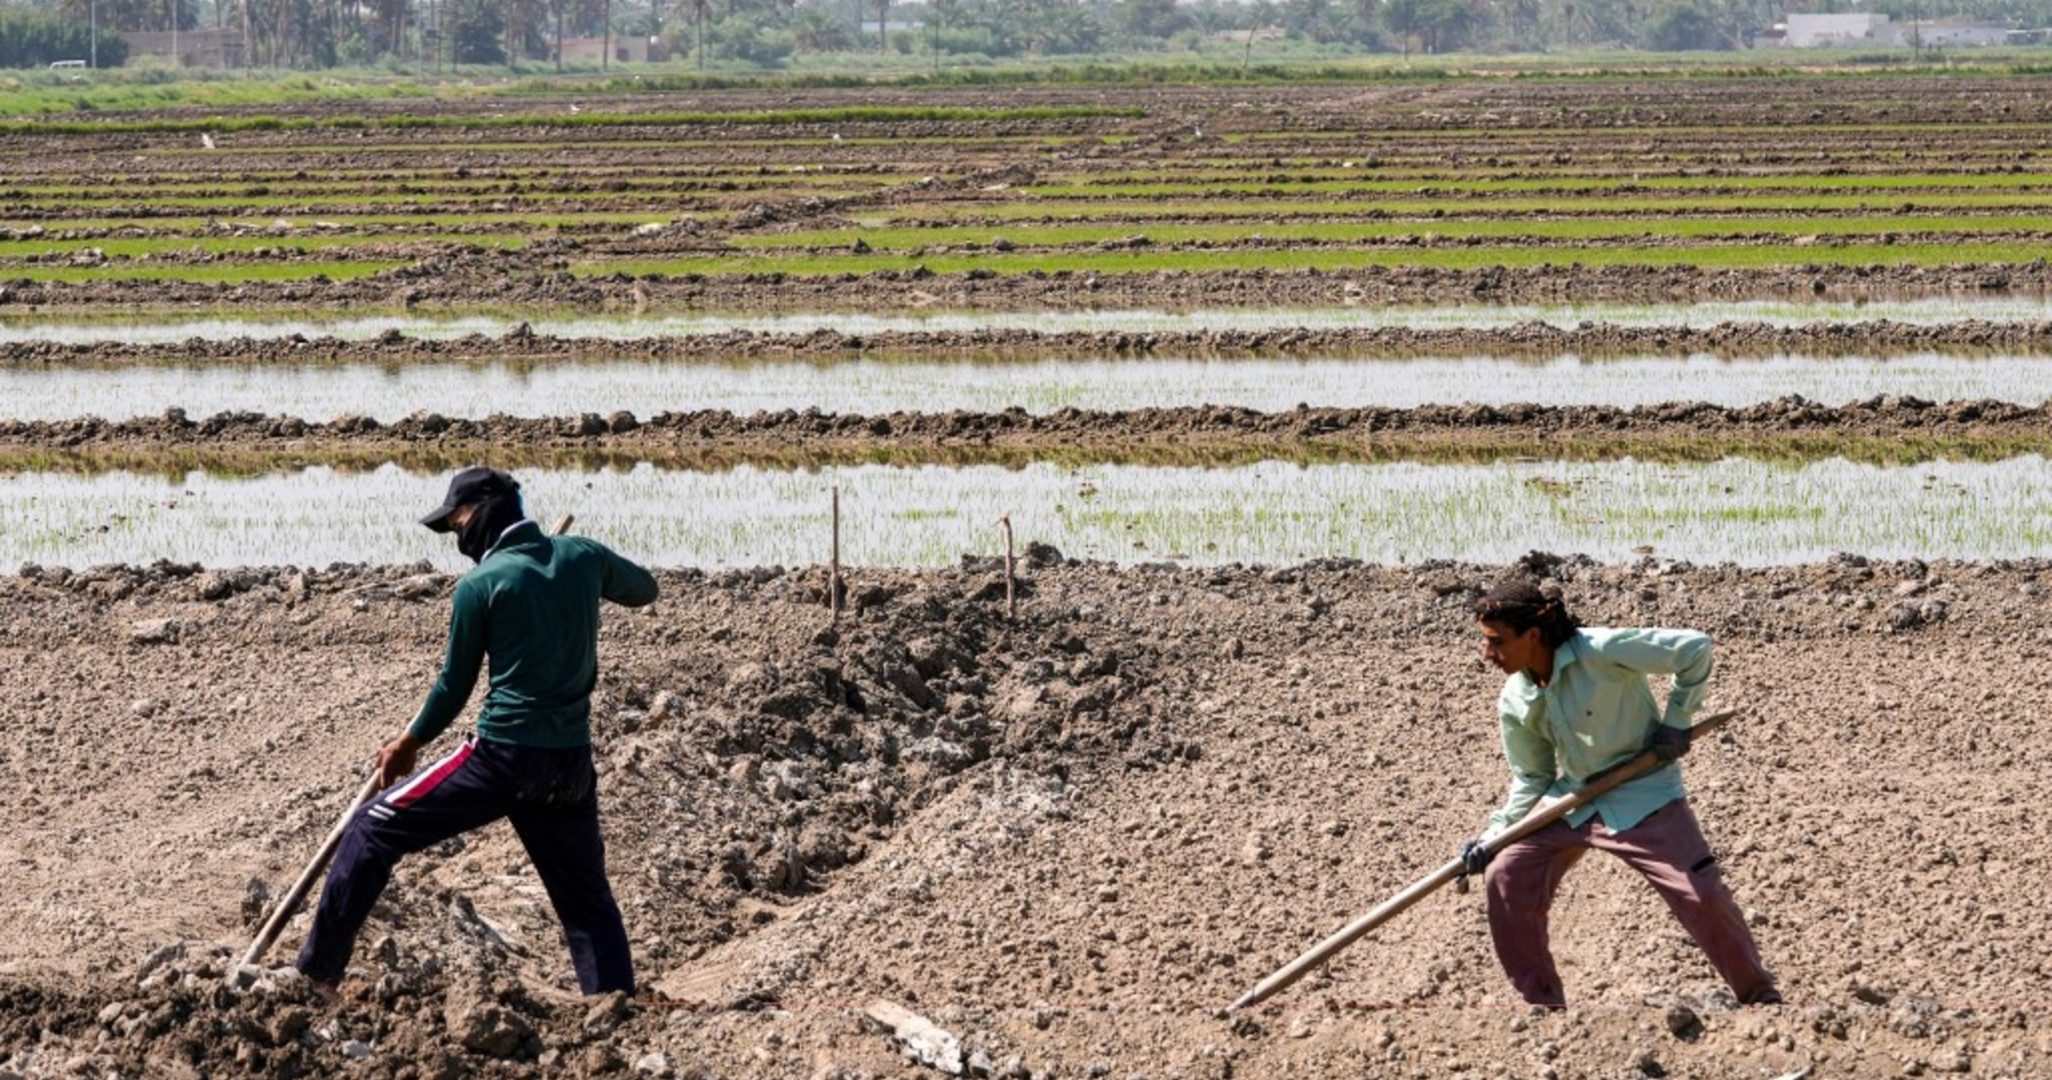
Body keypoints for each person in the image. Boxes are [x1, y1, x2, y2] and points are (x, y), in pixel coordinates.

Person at [295, 466, 659, 1000]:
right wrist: (575, 568)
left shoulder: (482, 585)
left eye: (458, 520)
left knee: (372, 827)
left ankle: (316, 976)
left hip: (503, 760)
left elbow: (452, 687)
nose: (458, 535)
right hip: (569, 765)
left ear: (486, 510)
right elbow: (645, 590)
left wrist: (408, 743)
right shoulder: (583, 556)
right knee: (585, 901)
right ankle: (613, 1003)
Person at [1461, 577, 1779, 1009]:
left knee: (1701, 895)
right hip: (1573, 800)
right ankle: (1545, 1008)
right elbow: (1533, 777)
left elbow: (1694, 648)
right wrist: (1493, 835)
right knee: (1505, 875)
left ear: (1532, 634)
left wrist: (1677, 719)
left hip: (1642, 792)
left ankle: (1760, 999)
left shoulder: (1602, 650)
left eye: (1496, 641)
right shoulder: (1515, 697)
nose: (1486, 654)